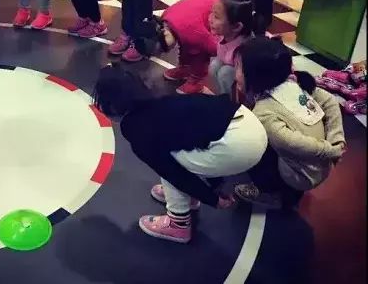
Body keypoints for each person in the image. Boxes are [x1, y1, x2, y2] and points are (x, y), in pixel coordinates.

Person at [93, 63, 267, 243]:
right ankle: (185, 198)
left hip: (239, 145)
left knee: (167, 163)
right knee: (170, 152)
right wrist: (216, 186)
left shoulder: (136, 128)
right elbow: (201, 137)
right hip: (248, 124)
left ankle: (178, 223)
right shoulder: (160, 101)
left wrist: (213, 198)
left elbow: (173, 172)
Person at [233, 38, 347, 209]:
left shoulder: (264, 112)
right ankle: (286, 190)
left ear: (255, 75)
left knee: (250, 145)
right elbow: (330, 100)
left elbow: (292, 142)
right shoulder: (294, 85)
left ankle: (273, 194)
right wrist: (335, 141)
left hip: (302, 175)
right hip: (319, 164)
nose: (234, 72)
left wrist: (331, 150)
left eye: (238, 67)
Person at [136, 0, 234, 94]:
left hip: (216, 4)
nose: (165, 52)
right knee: (185, 45)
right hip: (201, 6)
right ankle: (185, 68)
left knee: (199, 53)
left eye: (164, 48)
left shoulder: (193, 32)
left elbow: (214, 48)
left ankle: (196, 81)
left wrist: (223, 43)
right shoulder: (166, 18)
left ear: (165, 32)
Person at [207, 0, 254, 96]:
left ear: (236, 26)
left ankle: (231, 101)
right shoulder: (226, 32)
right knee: (214, 66)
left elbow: (246, 80)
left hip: (247, 83)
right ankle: (221, 96)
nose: (210, 19)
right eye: (211, 13)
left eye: (216, 17)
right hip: (230, 65)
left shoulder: (244, 49)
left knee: (225, 72)